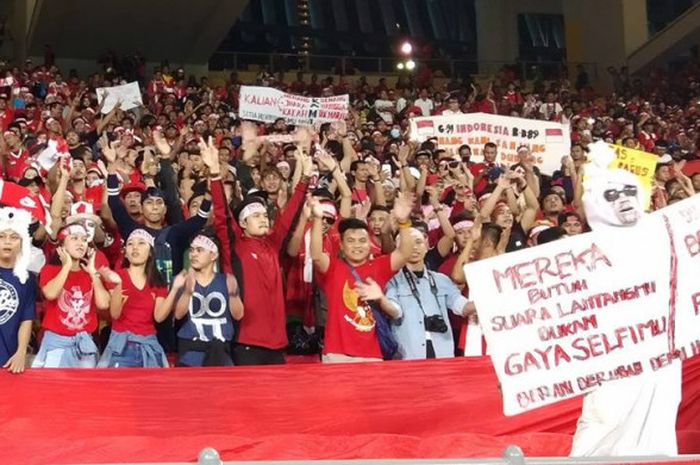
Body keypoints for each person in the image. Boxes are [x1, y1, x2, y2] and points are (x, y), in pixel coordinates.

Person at [571, 141, 682, 456]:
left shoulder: (663, 238)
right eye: (611, 195)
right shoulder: (586, 251)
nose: (622, 200)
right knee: (602, 423)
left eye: (629, 192)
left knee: (656, 432)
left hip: (660, 355)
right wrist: (590, 173)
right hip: (611, 355)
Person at [310, 192, 417, 363]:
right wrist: (316, 219)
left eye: (362, 240)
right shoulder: (333, 267)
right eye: (351, 241)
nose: (357, 245)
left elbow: (404, 253)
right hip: (337, 353)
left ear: (370, 244)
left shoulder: (379, 267)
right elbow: (316, 255)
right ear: (342, 246)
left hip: (372, 354)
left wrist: (404, 222)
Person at [384, 223, 475, 359]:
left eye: (419, 242)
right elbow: (396, 312)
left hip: (442, 351)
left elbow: (463, 307)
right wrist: (381, 299)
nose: (414, 247)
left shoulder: (441, 280)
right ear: (398, 250)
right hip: (409, 354)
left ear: (426, 247)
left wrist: (491, 300)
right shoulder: (393, 282)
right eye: (408, 244)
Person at [33, 222, 111, 368]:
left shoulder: (91, 274)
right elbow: (50, 293)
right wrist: (67, 266)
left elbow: (104, 304)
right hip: (57, 343)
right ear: (62, 246)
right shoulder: (50, 270)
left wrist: (94, 273)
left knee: (85, 389)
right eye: (74, 238)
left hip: (85, 343)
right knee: (55, 389)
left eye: (83, 239)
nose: (80, 243)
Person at [98, 229, 178, 368]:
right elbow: (114, 314)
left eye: (141, 243)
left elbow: (159, 317)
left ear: (151, 252)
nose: (135, 247)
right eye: (130, 244)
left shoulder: (157, 282)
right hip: (122, 346)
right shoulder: (117, 276)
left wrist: (175, 288)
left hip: (149, 345)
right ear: (126, 253)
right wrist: (118, 286)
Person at [173, 232, 243, 367]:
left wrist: (233, 294)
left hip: (221, 352)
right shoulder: (183, 279)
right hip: (190, 354)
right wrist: (187, 292)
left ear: (213, 255)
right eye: (192, 250)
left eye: (200, 250)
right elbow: (178, 314)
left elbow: (238, 315)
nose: (194, 254)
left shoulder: (225, 280)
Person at [0, 207, 37, 373]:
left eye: (14, 237)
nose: (7, 241)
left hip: (10, 358)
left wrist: (21, 352)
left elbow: (26, 319)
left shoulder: (27, 279)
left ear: (22, 243)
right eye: (1, 237)